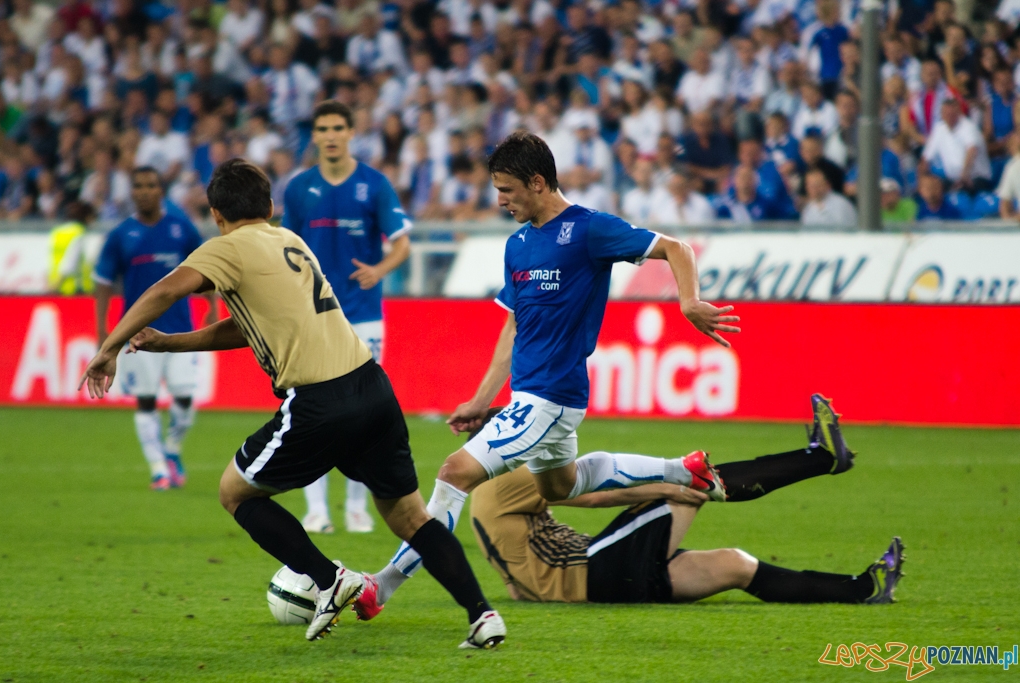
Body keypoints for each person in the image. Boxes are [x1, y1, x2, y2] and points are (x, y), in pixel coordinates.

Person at [78, 159, 505, 649]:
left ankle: (330, 579)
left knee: (235, 493)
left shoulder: (226, 248)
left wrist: (110, 345)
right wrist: (171, 342)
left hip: (319, 400)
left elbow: (166, 288)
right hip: (373, 387)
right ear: (271, 206)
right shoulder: (291, 242)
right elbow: (248, 324)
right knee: (411, 517)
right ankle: (482, 614)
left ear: (216, 214)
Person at [354, 131, 739, 619]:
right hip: (535, 396)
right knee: (561, 486)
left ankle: (381, 587)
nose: (500, 200)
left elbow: (677, 248)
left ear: (537, 182)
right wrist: (480, 398)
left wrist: (688, 301)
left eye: (508, 190)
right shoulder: (517, 246)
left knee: (453, 474)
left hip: (549, 397)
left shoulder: (590, 229)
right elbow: (513, 327)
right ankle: (682, 470)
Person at [469, 396, 904, 607]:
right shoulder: (502, 476)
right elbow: (595, 490)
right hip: (594, 570)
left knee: (735, 564)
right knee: (695, 483)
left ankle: (865, 589)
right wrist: (668, 486)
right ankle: (822, 458)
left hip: (600, 577)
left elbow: (584, 501)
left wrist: (528, 589)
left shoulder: (488, 493)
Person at [283, 100, 413, 535]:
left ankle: (357, 507)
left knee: (365, 411)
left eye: (339, 126)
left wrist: (379, 270)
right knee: (314, 410)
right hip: (315, 316)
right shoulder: (299, 189)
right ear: (315, 136)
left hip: (363, 316)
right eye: (324, 128)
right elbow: (286, 250)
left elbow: (402, 244)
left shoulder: (374, 185)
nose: (332, 134)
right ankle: (317, 509)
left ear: (351, 132)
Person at [92, 167, 212, 490]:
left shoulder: (181, 228)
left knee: (185, 397)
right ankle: (159, 468)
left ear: (162, 190)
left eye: (151, 185)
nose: (145, 191)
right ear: (132, 192)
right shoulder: (120, 235)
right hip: (138, 335)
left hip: (180, 332)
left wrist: (213, 307)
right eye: (139, 186)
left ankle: (171, 450)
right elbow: (103, 282)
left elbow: (207, 267)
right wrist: (103, 329)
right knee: (146, 400)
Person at [48, 200, 96, 295]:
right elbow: (70, 263)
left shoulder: (57, 232)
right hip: (72, 289)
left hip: (56, 286)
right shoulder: (79, 233)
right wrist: (56, 285)